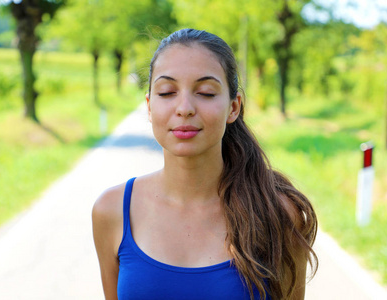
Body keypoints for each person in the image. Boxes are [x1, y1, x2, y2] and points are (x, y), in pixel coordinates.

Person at [92, 28, 318, 300]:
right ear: (149, 107)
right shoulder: (112, 211)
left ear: (234, 107)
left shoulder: (278, 212)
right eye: (167, 92)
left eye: (206, 93)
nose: (184, 108)